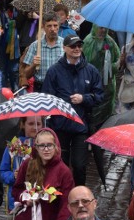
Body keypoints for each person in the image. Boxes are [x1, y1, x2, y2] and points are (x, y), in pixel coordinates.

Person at [42, 34, 104, 186]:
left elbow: (100, 96)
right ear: (64, 48)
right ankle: (61, 194)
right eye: (73, 46)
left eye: (79, 46)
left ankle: (79, 193)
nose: (77, 49)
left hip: (81, 126)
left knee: (79, 165)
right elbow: (47, 98)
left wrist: (84, 98)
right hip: (60, 126)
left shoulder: (91, 71)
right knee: (60, 164)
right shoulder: (54, 71)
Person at [82, 26, 121, 189]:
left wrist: (111, 65)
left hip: (107, 87)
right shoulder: (87, 41)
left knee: (104, 117)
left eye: (105, 28)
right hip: (91, 85)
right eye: (100, 27)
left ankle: (100, 140)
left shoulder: (111, 43)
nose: (103, 30)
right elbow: (84, 61)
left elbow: (117, 62)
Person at [0, 116, 45, 210]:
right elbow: (3, 171)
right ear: (22, 125)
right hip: (16, 199)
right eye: (31, 124)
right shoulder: (13, 146)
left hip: (41, 198)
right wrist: (13, 176)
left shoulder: (46, 146)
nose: (35, 127)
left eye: (38, 124)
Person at [20, 12, 63, 92]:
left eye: (55, 25)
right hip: (41, 88)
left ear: (59, 26)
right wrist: (33, 65)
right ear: (43, 27)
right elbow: (26, 74)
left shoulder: (65, 45)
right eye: (49, 26)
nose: (52, 29)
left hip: (60, 87)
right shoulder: (35, 46)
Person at [0, 0, 21, 89]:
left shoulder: (16, 4)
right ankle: (2, 89)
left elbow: (19, 20)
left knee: (13, 67)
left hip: (13, 39)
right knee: (2, 67)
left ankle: (14, 87)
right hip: (1, 39)